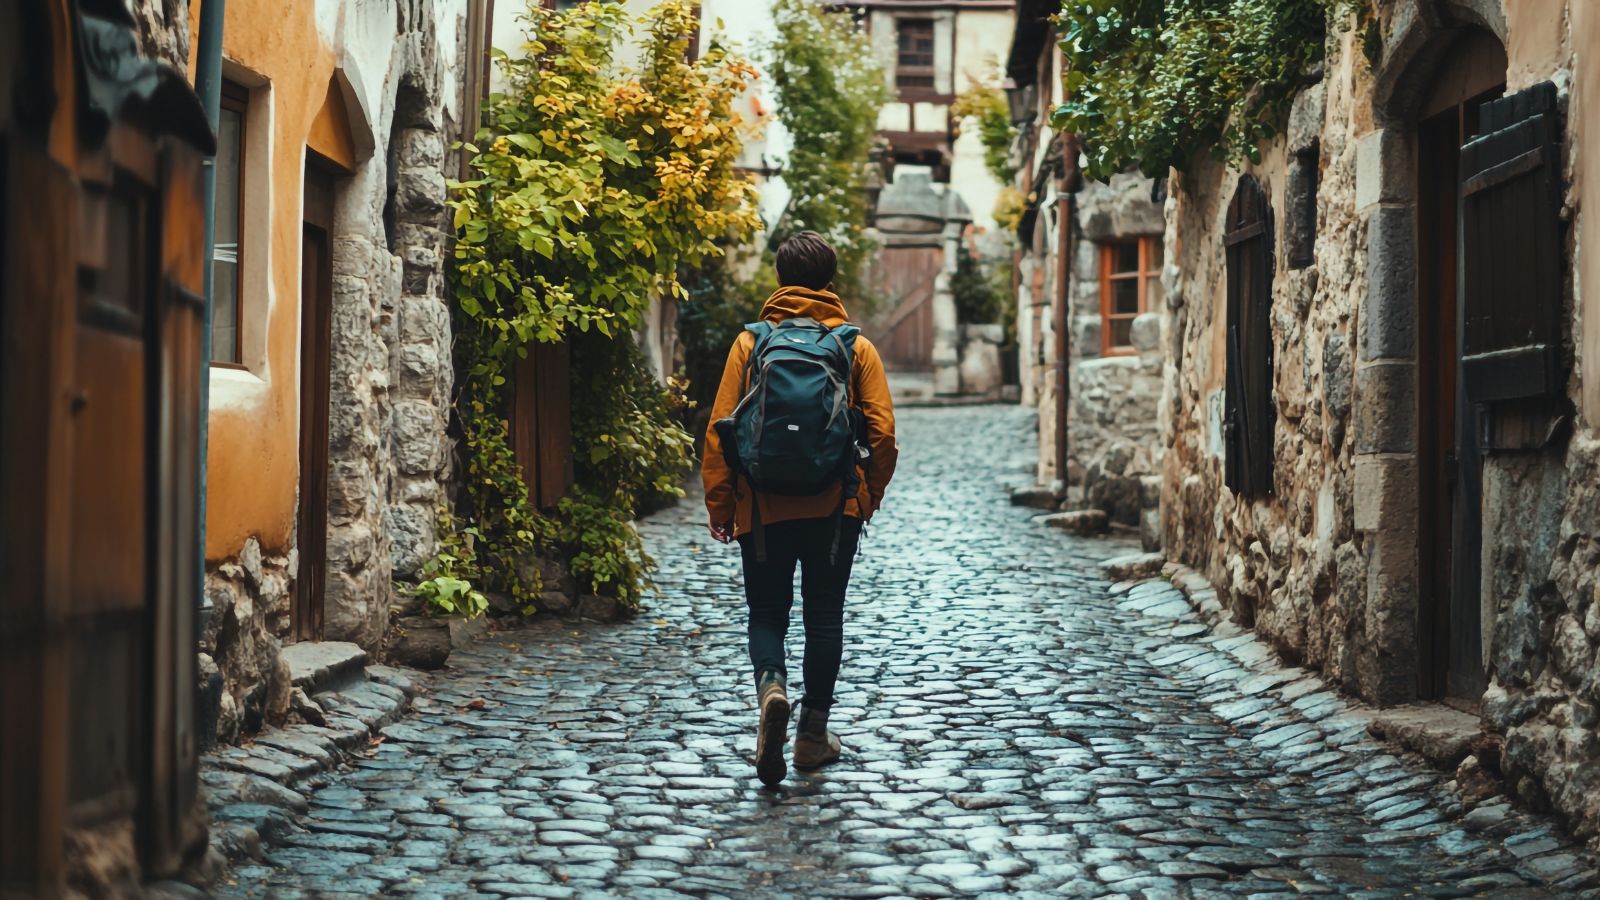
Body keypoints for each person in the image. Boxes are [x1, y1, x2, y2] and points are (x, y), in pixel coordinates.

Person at [702, 231, 898, 787]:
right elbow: (881, 434)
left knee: (766, 613)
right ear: (830, 282)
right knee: (824, 615)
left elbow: (720, 432)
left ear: (780, 281)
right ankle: (812, 736)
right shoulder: (854, 347)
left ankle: (771, 688)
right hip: (835, 508)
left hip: (761, 509)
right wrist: (867, 496)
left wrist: (722, 503)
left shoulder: (752, 344)